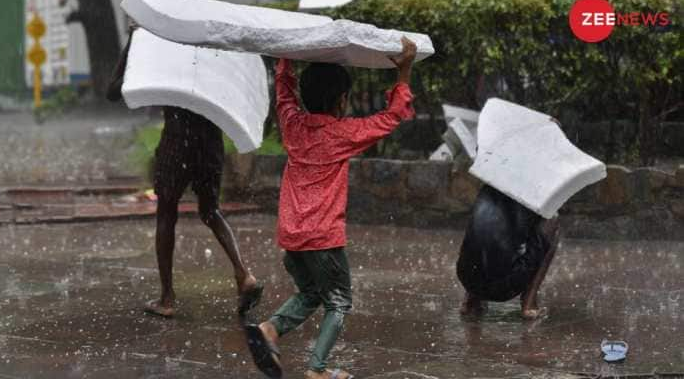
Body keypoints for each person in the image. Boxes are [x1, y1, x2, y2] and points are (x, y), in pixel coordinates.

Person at [244, 37, 418, 379]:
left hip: (292, 236)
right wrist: (405, 69)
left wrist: (285, 56)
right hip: (323, 237)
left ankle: (269, 329)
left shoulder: (293, 125)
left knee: (310, 293)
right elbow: (393, 116)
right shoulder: (343, 134)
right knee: (338, 302)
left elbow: (284, 92)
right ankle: (317, 370)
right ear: (342, 100)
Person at [106, 27, 262, 318]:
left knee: (167, 214)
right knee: (210, 211)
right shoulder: (211, 57)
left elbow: (112, 90)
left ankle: (167, 298)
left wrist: (132, 42)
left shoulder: (163, 57)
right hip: (209, 143)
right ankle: (243, 274)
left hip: (177, 141)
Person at [456, 185, 560, 320]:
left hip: (466, 278)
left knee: (483, 218)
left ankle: (470, 300)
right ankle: (529, 303)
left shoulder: (492, 180)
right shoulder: (537, 188)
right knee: (552, 218)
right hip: (506, 287)